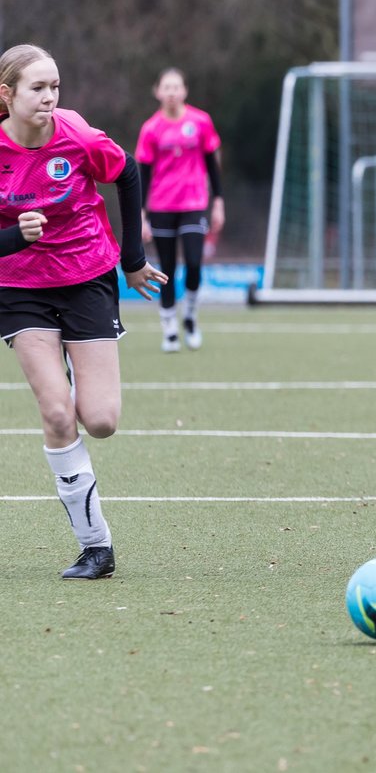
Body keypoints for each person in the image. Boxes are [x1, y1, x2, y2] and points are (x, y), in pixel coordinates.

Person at [0, 44, 167, 579]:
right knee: (55, 411)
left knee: (99, 420)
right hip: (19, 287)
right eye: (37, 88)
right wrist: (11, 237)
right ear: (7, 96)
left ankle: (73, 360)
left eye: (55, 87)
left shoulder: (77, 135)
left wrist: (133, 260)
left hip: (87, 276)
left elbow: (128, 172)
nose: (49, 98)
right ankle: (96, 546)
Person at [136, 67, 225, 352]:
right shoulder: (151, 129)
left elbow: (212, 163)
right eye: (167, 87)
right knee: (167, 269)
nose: (172, 92)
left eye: (177, 87)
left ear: (184, 91)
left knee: (195, 264)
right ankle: (169, 326)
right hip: (161, 205)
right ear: (157, 92)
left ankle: (190, 314)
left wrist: (219, 201)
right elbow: (144, 173)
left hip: (194, 203)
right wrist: (141, 213)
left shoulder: (201, 122)